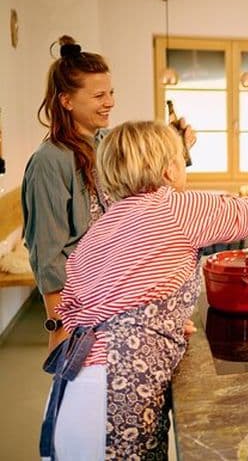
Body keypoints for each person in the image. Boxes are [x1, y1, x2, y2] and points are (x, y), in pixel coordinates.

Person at [40, 121, 248, 459]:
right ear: (169, 170)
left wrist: (161, 321)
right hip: (120, 388)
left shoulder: (103, 225)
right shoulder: (174, 206)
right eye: (183, 159)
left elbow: (101, 298)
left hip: (76, 385)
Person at [22, 36, 195, 352]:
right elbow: (47, 254)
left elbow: (149, 187)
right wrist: (59, 326)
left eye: (111, 93)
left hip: (116, 294)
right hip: (84, 305)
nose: (110, 102)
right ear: (67, 101)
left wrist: (177, 147)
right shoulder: (50, 161)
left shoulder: (106, 142)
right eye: (99, 95)